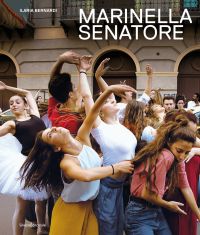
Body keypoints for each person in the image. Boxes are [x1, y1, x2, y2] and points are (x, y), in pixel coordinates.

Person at [20, 84, 135, 235]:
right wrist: (116, 167)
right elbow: (86, 176)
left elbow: (93, 112)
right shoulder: (67, 163)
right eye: (50, 134)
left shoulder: (82, 138)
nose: (54, 128)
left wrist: (109, 91)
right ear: (56, 148)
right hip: (70, 212)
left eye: (51, 128)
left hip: (89, 208)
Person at [124, 116, 200, 235]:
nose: (182, 156)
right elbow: (147, 194)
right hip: (140, 211)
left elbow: (185, 187)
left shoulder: (175, 157)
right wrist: (168, 205)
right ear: (169, 142)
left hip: (154, 210)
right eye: (179, 150)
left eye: (186, 153)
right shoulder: (166, 156)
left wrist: (198, 215)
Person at [92, 59, 137, 235]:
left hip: (123, 185)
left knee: (119, 226)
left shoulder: (119, 121)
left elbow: (108, 95)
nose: (113, 101)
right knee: (108, 227)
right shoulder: (99, 127)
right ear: (100, 109)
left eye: (113, 100)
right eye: (107, 101)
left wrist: (99, 78)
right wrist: (94, 76)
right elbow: (94, 100)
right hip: (108, 185)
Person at [0, 81, 48, 235]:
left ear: (25, 105)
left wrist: (7, 88)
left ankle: (41, 227)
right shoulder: (11, 124)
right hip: (27, 164)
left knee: (40, 200)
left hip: (44, 160)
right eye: (11, 103)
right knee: (21, 204)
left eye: (17, 102)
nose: (13, 104)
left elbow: (27, 93)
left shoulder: (35, 115)